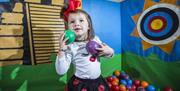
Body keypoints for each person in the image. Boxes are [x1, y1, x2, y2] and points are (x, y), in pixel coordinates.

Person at [55, 9, 114, 91]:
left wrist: (110, 51)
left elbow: (109, 54)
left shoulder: (95, 39)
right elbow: (61, 71)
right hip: (80, 84)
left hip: (97, 81)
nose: (76, 24)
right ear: (68, 28)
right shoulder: (70, 47)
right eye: (72, 22)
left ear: (89, 26)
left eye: (81, 20)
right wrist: (61, 50)